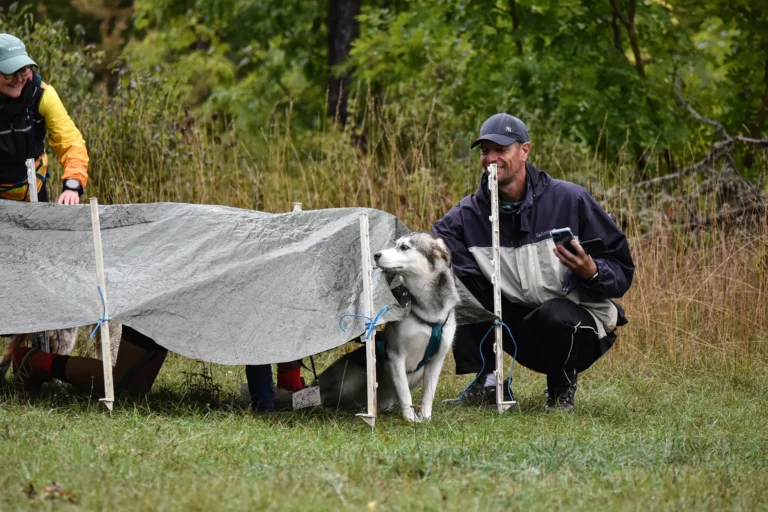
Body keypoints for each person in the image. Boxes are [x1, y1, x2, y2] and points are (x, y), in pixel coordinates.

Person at [432, 113, 635, 411]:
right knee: (451, 281)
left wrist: (592, 272)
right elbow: (433, 247)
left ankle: (560, 388)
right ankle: (490, 383)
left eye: (501, 150)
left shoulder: (571, 199)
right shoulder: (468, 215)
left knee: (553, 314)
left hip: (577, 324)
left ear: (525, 150)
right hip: (517, 325)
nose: (491, 158)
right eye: (485, 150)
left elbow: (621, 269)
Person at [0, 33, 87, 203]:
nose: (18, 79)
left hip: (33, 192)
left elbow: (70, 142)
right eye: (9, 73)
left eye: (23, 70)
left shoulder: (42, 95)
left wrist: (73, 184)